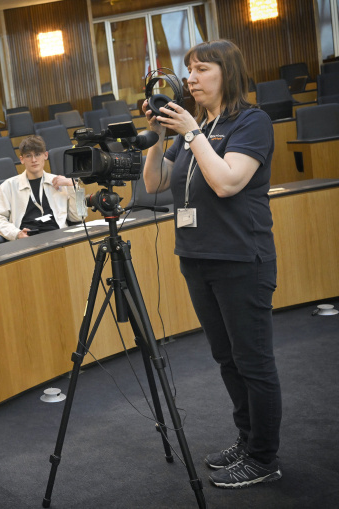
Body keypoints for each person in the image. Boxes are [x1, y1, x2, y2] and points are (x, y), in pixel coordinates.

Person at [142, 39, 282, 489]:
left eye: (201, 69)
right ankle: (246, 439)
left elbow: (226, 183)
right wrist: (161, 135)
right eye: (189, 71)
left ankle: (263, 457)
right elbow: (155, 182)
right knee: (226, 358)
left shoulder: (251, 122)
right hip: (197, 258)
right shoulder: (197, 127)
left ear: (227, 73)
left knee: (253, 361)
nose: (191, 78)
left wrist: (191, 134)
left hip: (242, 259)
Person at [0, 135, 86, 241]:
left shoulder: (61, 182)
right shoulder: (8, 186)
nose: (34, 160)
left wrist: (73, 185)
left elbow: (80, 215)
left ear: (45, 155)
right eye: (28, 156)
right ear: (22, 159)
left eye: (37, 154)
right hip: (27, 240)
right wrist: (16, 233)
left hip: (59, 237)